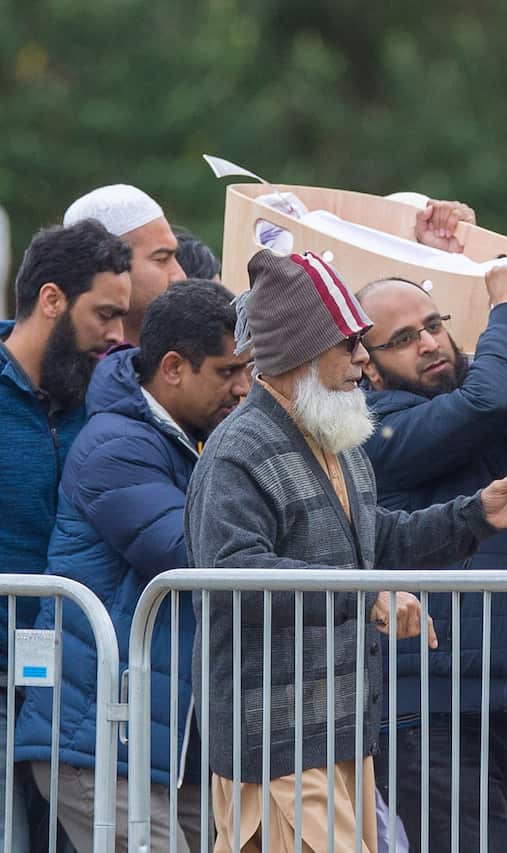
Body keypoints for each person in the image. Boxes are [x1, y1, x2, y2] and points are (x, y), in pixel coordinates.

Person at [185, 248, 507, 853]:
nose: (363, 360)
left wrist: (479, 514)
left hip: (344, 734)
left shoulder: (338, 438)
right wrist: (366, 598)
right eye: (349, 345)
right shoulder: (239, 448)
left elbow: (378, 540)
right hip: (275, 743)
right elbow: (234, 572)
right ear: (301, 355)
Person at [13, 279, 251, 852]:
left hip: (172, 751)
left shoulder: (196, 438)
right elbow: (198, 554)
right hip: (104, 747)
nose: (245, 389)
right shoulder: (114, 445)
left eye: (250, 371)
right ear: (172, 367)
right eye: (227, 372)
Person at [356, 265, 507, 853]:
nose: (428, 344)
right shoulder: (373, 427)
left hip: (498, 694)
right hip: (427, 705)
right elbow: (488, 400)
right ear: (368, 365)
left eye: (432, 325)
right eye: (402, 339)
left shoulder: (465, 424)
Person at [0, 220, 131, 851]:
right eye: (105, 314)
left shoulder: (104, 401)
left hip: (78, 692)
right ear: (51, 300)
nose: (116, 336)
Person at [64, 184, 185, 344]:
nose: (180, 276)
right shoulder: (75, 365)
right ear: (113, 264)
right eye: (161, 259)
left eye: (175, 257)